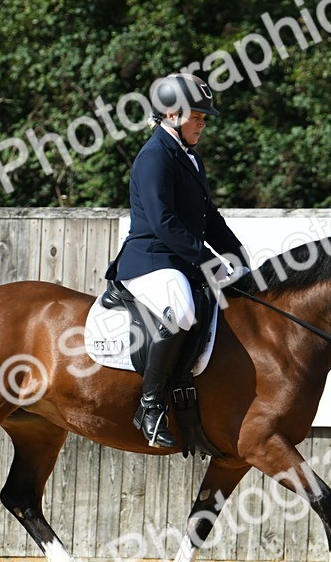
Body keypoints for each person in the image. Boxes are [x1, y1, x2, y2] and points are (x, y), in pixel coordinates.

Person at [105, 73, 249, 448]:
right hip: (150, 260)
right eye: (196, 116)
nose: (202, 124)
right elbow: (162, 221)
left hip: (178, 259)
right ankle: (149, 407)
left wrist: (237, 255)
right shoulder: (154, 157)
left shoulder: (191, 158)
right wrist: (206, 259)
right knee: (181, 310)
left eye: (203, 118)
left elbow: (209, 218)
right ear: (171, 114)